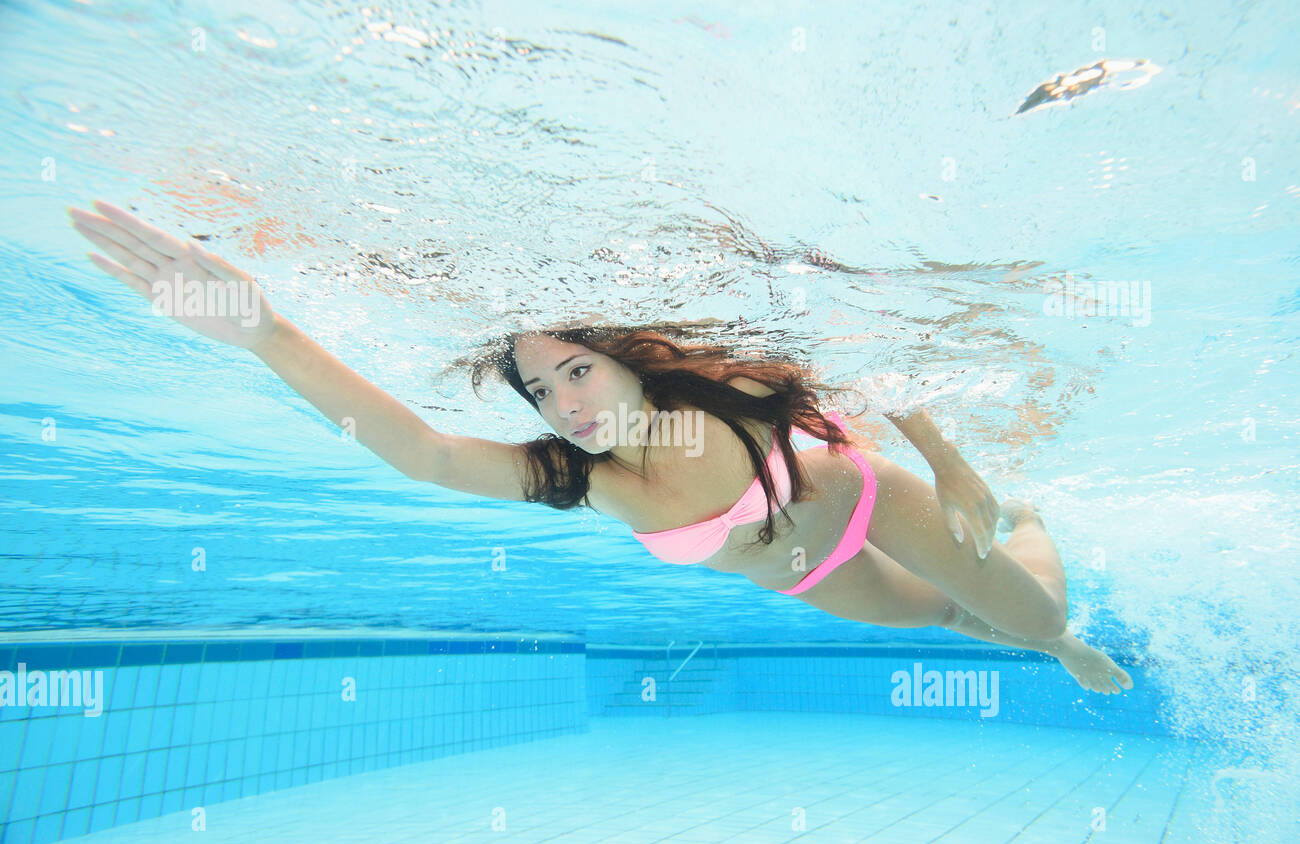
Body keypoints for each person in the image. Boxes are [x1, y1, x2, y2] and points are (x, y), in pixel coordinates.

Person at [67, 199, 1134, 695]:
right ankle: (1040, 640)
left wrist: (953, 469)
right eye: (541, 389)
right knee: (962, 619)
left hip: (866, 504)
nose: (565, 402)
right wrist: (265, 332)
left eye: (577, 370)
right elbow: (428, 456)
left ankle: (1035, 546)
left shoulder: (727, 391)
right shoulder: (584, 479)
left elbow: (879, 368)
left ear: (624, 360)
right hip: (809, 578)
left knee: (1037, 616)